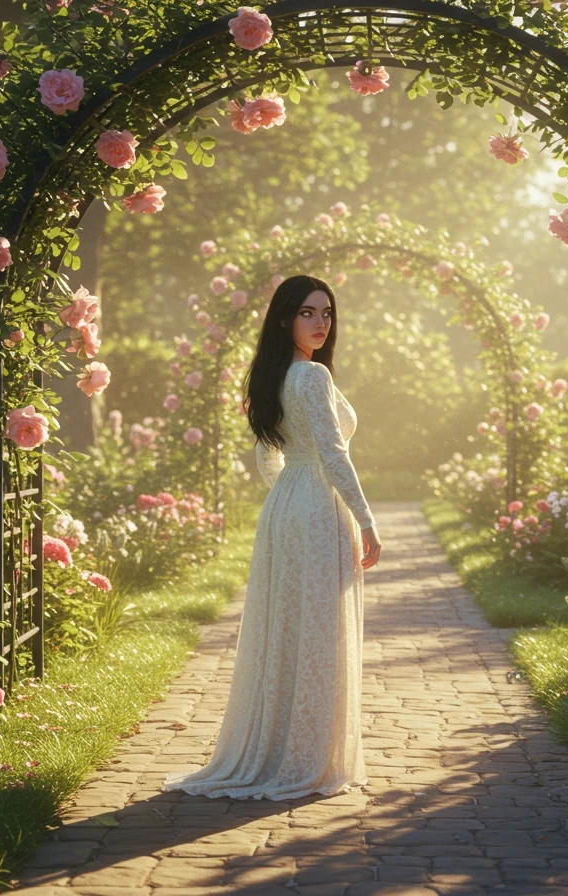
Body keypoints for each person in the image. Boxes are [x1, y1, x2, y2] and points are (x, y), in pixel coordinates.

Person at [161, 274, 382, 800]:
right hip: (314, 506)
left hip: (285, 505)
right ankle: (306, 756)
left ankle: (285, 748)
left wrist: (286, 495)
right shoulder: (310, 378)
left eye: (327, 313)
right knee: (316, 629)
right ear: (285, 318)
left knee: (289, 626)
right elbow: (333, 454)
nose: (321, 322)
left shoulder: (275, 375)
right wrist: (367, 520)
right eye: (308, 312)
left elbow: (268, 454)